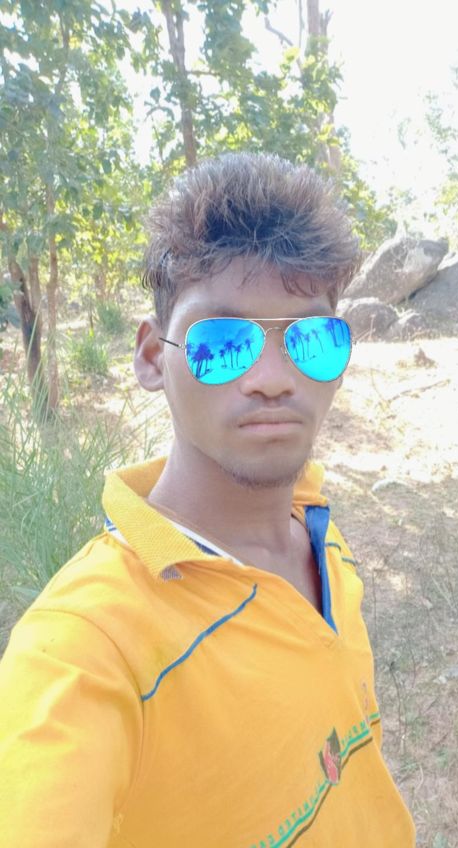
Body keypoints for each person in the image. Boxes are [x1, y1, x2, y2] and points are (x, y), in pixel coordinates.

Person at [0, 152, 416, 847]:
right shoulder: (86, 647)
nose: (273, 377)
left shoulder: (317, 533)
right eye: (223, 342)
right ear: (151, 358)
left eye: (311, 339)